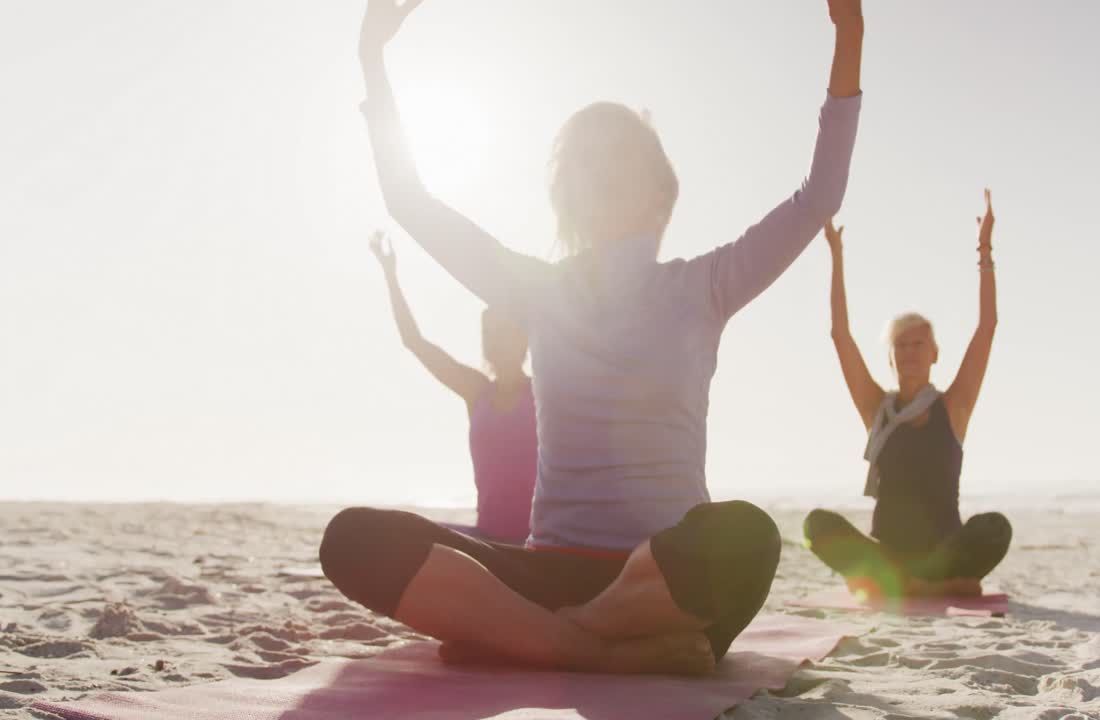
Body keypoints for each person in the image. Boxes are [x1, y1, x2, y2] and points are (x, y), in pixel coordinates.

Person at [320, 0, 866, 676]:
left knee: (746, 535)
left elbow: (818, 197)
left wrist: (851, 37)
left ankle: (547, 637)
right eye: (584, 162)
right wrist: (372, 58)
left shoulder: (704, 286)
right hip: (548, 571)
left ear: (660, 196)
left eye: (618, 157)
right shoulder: (539, 290)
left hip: (667, 581)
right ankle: (580, 646)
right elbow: (412, 203)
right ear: (566, 196)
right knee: (355, 539)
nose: (600, 171)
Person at [804, 190, 1011, 599]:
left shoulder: (953, 406)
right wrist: (836, 255)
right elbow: (840, 336)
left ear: (934, 355)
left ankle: (918, 583)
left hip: (943, 551)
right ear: (890, 357)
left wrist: (984, 249)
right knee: (816, 525)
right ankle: (927, 586)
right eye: (901, 345)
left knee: (995, 528)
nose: (910, 353)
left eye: (919, 345)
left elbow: (987, 327)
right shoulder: (876, 409)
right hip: (889, 554)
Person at [369, 229, 536, 544]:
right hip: (488, 537)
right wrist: (390, 273)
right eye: (489, 332)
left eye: (505, 331)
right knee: (397, 536)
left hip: (537, 540)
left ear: (524, 339)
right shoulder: (477, 392)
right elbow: (415, 342)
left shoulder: (544, 394)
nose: (495, 340)